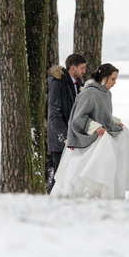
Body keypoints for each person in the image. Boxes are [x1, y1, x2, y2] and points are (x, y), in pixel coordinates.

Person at [51, 63, 129, 199]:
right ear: (104, 77)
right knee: (106, 148)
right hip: (90, 138)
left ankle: (113, 191)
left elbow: (102, 114)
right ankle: (91, 191)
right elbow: (79, 116)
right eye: (113, 79)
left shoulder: (107, 93)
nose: (115, 83)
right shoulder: (89, 92)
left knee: (124, 137)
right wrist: (95, 126)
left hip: (102, 133)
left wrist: (115, 121)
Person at [46, 54, 87, 194]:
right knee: (59, 176)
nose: (84, 71)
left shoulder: (79, 84)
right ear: (72, 67)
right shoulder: (57, 84)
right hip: (60, 140)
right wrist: (64, 136)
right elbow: (54, 115)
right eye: (82, 68)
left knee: (72, 175)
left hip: (75, 137)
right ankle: (51, 199)